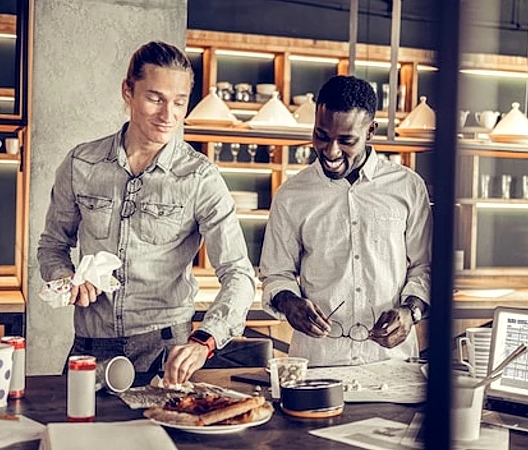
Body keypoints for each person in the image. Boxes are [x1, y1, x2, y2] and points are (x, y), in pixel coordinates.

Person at [37, 41, 255, 384]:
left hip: (166, 350)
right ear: (128, 91)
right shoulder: (81, 163)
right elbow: (51, 245)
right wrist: (65, 278)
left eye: (179, 102)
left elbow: (239, 273)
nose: (168, 115)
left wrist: (205, 340)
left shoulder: (200, 177)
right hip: (90, 347)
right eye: (155, 98)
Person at [259, 75, 431, 367]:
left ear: (371, 132)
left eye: (346, 140)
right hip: (318, 362)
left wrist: (410, 312)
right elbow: (276, 274)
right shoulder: (291, 194)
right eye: (322, 135)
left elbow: (426, 267)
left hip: (391, 364)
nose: (331, 151)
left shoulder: (408, 187)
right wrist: (290, 304)